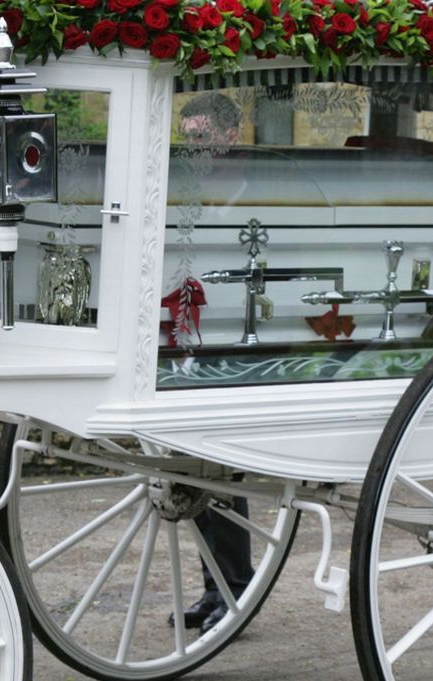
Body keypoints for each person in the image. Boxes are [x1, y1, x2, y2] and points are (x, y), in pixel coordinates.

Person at [167, 92, 254, 635]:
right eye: (188, 138)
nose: (194, 148)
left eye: (203, 138)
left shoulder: (247, 182)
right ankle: (213, 588)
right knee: (192, 467)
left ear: (227, 136)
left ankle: (235, 590)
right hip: (191, 326)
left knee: (223, 466)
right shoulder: (191, 184)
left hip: (233, 329)